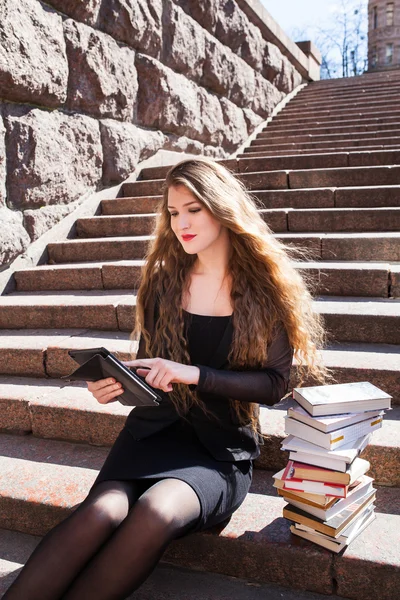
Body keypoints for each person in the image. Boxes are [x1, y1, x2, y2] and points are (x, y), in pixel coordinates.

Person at [4, 157, 331, 600]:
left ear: (222, 208)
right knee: (98, 514)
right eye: (174, 213)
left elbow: (274, 385)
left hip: (218, 451)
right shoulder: (163, 283)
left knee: (155, 511)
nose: (181, 223)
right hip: (150, 438)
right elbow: (151, 371)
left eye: (193, 209)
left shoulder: (265, 291)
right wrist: (118, 386)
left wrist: (194, 374)